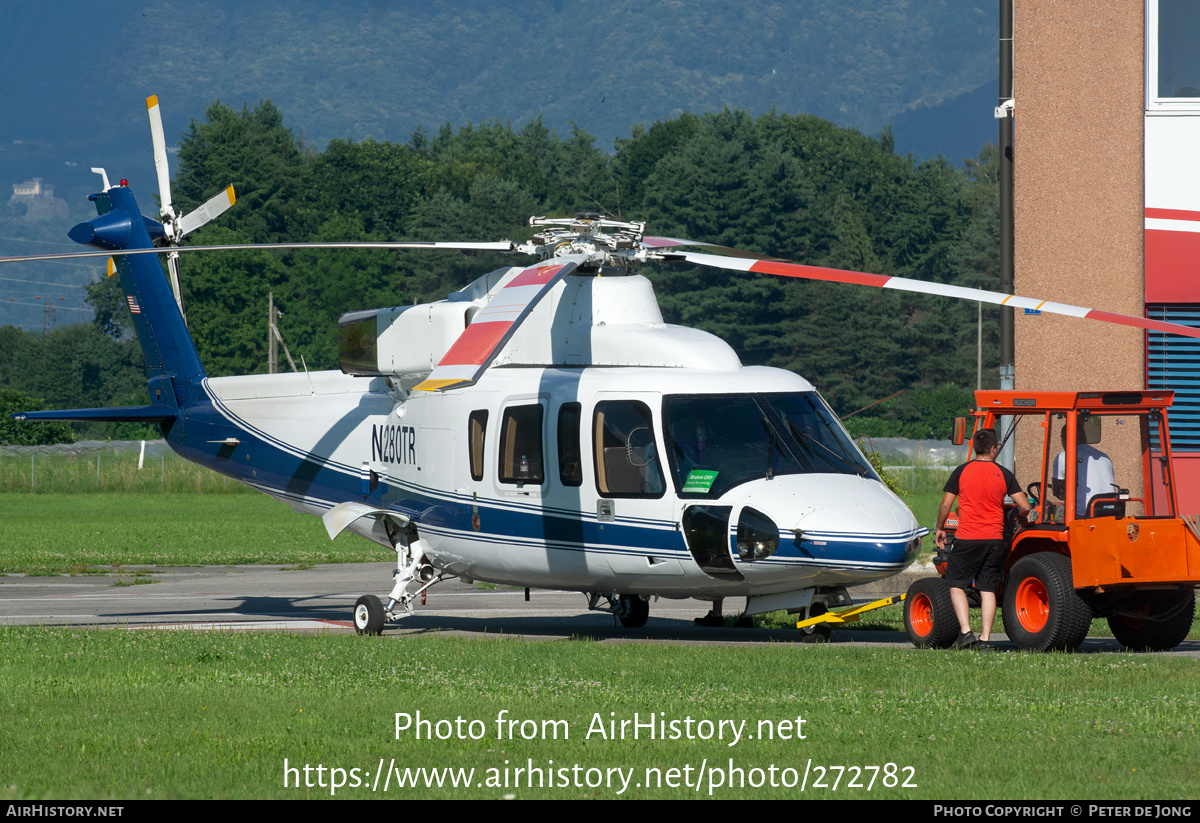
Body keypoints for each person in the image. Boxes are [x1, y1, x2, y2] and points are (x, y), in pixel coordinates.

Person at [935, 428, 1031, 650]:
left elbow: (945, 505)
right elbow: (1025, 506)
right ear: (993, 448)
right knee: (987, 588)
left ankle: (966, 632)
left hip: (968, 537)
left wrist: (940, 527)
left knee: (956, 583)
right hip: (995, 539)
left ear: (976, 448)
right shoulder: (1004, 473)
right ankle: (986, 639)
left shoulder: (961, 471)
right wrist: (1018, 516)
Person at [1051, 425, 1115, 518]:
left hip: (1084, 514)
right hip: (1112, 511)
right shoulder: (1104, 457)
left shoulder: (1065, 456)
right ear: (1085, 438)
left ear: (1064, 439)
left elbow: (1059, 492)